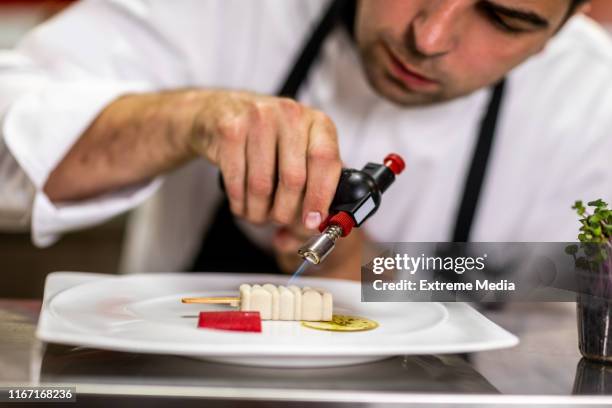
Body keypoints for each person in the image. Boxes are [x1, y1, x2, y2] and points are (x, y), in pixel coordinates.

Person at [0, 0, 611, 280]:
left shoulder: (593, 104)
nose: (429, 36)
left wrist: (373, 271)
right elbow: (14, 132)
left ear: (563, 25)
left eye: (502, 18)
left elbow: (559, 305)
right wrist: (191, 117)